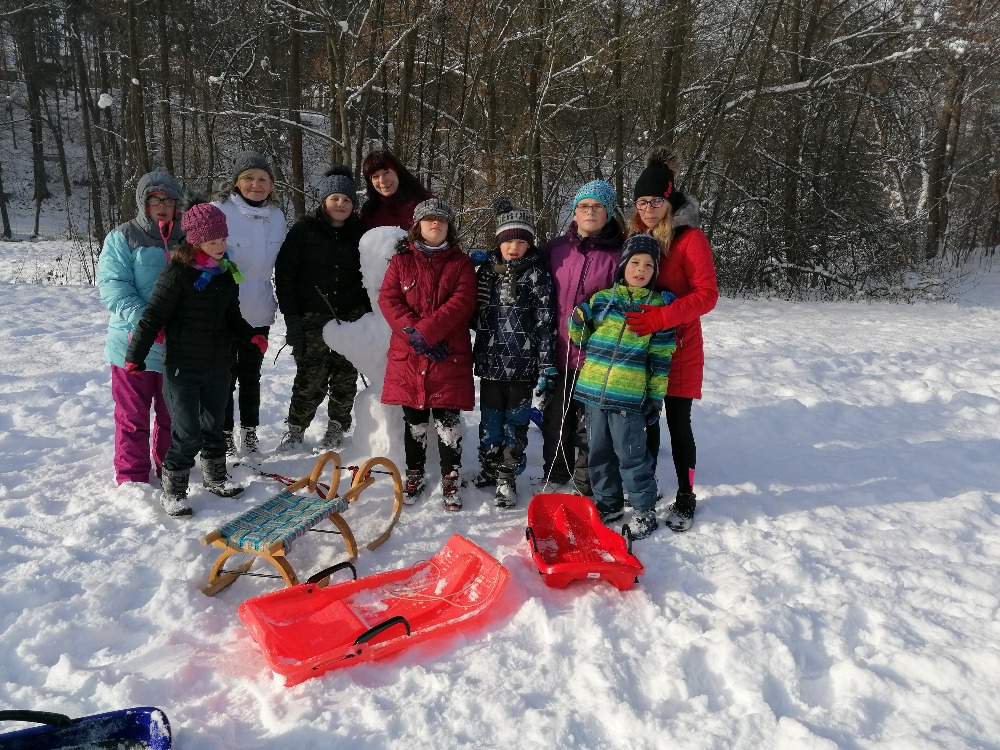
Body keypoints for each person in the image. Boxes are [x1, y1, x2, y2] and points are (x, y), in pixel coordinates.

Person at [125, 202, 267, 517]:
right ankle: (173, 490)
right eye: (213, 241)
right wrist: (135, 355)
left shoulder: (225, 272)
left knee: (214, 427)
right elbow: (153, 316)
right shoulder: (177, 274)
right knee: (187, 433)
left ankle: (216, 477)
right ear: (196, 241)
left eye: (223, 239)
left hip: (218, 365)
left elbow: (232, 317)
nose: (220, 245)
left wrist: (251, 336)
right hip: (183, 367)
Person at [624, 148, 719, 532]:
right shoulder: (634, 235)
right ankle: (645, 486)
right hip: (642, 344)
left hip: (680, 344)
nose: (648, 209)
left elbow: (707, 295)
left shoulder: (690, 239)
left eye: (655, 201)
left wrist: (662, 317)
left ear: (669, 200)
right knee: (644, 417)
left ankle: (685, 493)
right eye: (641, 202)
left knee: (679, 423)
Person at [568, 234, 676, 540]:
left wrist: (655, 397)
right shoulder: (602, 299)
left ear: (655, 271)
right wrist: (578, 320)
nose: (641, 269)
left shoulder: (658, 307)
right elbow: (579, 339)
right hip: (593, 393)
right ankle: (609, 503)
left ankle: (644, 509)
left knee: (631, 456)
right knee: (598, 452)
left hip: (628, 398)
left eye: (649, 265)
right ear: (623, 265)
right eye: (635, 262)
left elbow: (661, 358)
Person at [378, 198, 477, 510]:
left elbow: (462, 301)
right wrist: (414, 334)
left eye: (442, 219)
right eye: (429, 218)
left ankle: (451, 476)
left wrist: (428, 333)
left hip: (449, 355)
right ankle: (414, 472)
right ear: (417, 226)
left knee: (448, 422)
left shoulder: (461, 263)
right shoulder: (400, 261)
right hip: (409, 356)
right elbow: (389, 300)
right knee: (415, 420)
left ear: (449, 227)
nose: (436, 223)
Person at [274, 166, 370, 453]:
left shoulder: (361, 233)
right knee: (310, 375)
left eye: (347, 200)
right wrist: (292, 318)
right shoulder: (304, 230)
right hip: (312, 315)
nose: (340, 204)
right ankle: (296, 429)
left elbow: (371, 274)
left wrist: (367, 314)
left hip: (350, 317)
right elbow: (285, 275)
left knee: (345, 374)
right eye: (335, 198)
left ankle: (337, 426)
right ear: (324, 200)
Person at [539, 179, 625, 495]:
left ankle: (586, 481)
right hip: (558, 352)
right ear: (574, 212)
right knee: (556, 420)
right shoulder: (554, 250)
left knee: (591, 425)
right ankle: (556, 473)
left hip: (598, 357)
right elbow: (520, 265)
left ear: (609, 213)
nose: (590, 211)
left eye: (598, 206)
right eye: (584, 206)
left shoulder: (620, 255)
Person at [97, 171, 184, 485]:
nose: (162, 206)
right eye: (154, 199)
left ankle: (171, 470)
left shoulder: (189, 238)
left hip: (176, 346)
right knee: (133, 417)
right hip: (132, 344)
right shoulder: (123, 237)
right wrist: (148, 323)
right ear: (143, 203)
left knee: (173, 416)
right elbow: (114, 287)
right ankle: (132, 478)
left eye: (168, 200)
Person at [469, 197, 555, 508]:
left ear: (529, 244)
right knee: (490, 421)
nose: (514, 247)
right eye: (508, 241)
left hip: (522, 365)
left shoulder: (537, 276)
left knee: (516, 424)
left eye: (521, 241)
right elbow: (473, 313)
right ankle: (490, 467)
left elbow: (545, 323)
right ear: (499, 243)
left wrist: (546, 364)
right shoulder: (487, 272)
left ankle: (507, 476)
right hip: (491, 363)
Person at [214, 151, 287, 457]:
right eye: (248, 178)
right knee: (224, 376)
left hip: (259, 309)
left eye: (262, 179)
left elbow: (285, 262)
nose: (256, 185)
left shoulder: (277, 216)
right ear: (236, 182)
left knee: (251, 375)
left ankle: (250, 432)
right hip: (223, 310)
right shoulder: (219, 211)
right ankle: (224, 434)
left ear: (271, 184)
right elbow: (202, 256)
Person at [358, 149, 433, 231]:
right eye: (375, 176)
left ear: (397, 172)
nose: (382, 181)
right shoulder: (368, 213)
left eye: (386, 172)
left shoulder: (426, 202)